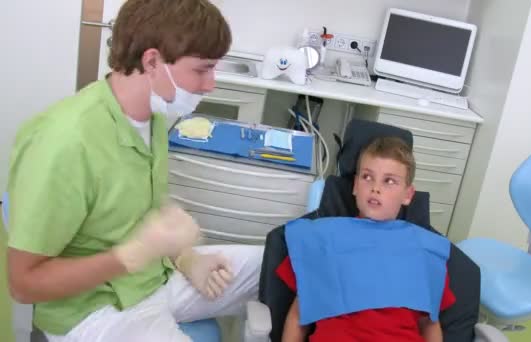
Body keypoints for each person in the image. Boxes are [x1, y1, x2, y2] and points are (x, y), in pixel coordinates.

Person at [5, 0, 262, 341]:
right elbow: (23, 285)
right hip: (95, 309)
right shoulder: (66, 143)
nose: (211, 83)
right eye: (203, 69)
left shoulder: (153, 116)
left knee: (281, 265)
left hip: (154, 275)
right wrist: (133, 254)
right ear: (152, 61)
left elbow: (138, 211)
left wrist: (186, 259)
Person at [278, 137, 456, 342]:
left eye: (389, 181)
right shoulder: (323, 240)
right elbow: (298, 315)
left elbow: (430, 323)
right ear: (355, 185)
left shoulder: (425, 253)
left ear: (408, 194)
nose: (375, 188)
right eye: (367, 177)